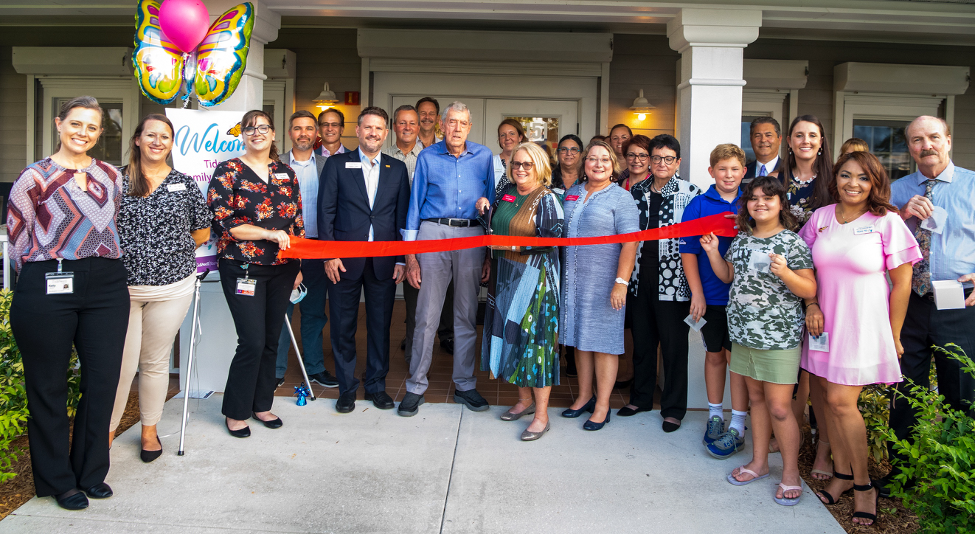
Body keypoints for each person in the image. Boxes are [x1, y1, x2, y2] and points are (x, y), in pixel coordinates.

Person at [8, 96, 128, 510]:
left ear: (100, 133)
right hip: (48, 281)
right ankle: (59, 480)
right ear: (60, 125)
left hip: (107, 285)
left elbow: (116, 226)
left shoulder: (112, 175)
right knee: (49, 384)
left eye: (92, 127)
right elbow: (18, 239)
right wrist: (41, 274)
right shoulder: (34, 177)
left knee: (103, 380)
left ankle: (91, 472)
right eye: (76, 124)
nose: (83, 133)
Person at [800, 152, 920, 526]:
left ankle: (864, 484)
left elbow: (902, 284)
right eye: (846, 176)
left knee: (840, 402)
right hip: (824, 326)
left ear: (875, 183)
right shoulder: (821, 218)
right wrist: (813, 302)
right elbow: (806, 266)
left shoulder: (888, 222)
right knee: (826, 402)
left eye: (863, 178)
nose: (853, 183)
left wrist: (895, 334)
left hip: (863, 326)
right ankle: (842, 474)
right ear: (835, 179)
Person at [704, 174, 817, 507]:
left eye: (768, 198)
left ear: (780, 203)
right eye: (753, 198)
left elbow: (809, 290)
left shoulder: (792, 242)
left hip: (779, 337)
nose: (760, 203)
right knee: (756, 401)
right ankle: (759, 463)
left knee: (781, 408)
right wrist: (712, 252)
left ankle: (791, 474)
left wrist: (785, 273)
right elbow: (728, 277)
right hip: (742, 333)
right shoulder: (741, 240)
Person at [109, 114, 211, 463]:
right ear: (137, 140)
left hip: (172, 288)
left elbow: (202, 232)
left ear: (171, 143)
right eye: (150, 135)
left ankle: (149, 431)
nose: (157, 141)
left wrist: (168, 253)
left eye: (164, 136)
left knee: (155, 363)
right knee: (120, 366)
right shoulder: (115, 181)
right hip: (122, 290)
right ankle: (104, 434)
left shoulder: (184, 183)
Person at [882, 115, 975, 496]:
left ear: (948, 140)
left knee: (961, 392)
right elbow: (874, 239)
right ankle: (902, 473)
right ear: (910, 147)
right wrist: (902, 215)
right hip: (909, 304)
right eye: (917, 140)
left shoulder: (972, 185)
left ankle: (958, 477)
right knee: (905, 391)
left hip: (959, 304)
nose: (927, 146)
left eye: (934, 137)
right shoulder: (895, 190)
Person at [207, 110, 304, 438]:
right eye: (250, 128)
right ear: (243, 135)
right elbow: (225, 221)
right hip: (242, 267)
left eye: (263, 127)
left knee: (271, 340)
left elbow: (297, 222)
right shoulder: (228, 171)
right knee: (252, 340)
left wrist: (299, 266)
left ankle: (261, 404)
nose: (257, 132)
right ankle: (235, 411)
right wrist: (266, 234)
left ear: (274, 134)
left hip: (282, 268)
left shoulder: (286, 173)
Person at [400, 101, 495, 417]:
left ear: (470, 126)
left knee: (466, 314)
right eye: (451, 122)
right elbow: (414, 206)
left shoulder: (482, 157)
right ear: (442, 125)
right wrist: (410, 256)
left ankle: (465, 385)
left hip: (471, 236)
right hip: (433, 232)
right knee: (426, 314)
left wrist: (488, 254)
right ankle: (415, 386)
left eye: (462, 123)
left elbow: (492, 205)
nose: (456, 128)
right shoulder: (428, 156)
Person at [320, 107, 410, 413]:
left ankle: (375, 385)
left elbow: (402, 217)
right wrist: (329, 253)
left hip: (383, 260)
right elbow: (326, 212)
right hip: (344, 259)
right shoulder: (336, 165)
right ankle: (346, 388)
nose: (373, 133)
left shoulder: (396, 170)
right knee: (343, 325)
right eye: (368, 127)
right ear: (358, 131)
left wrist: (401, 258)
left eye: (379, 129)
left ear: (386, 134)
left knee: (380, 326)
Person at [481, 142, 564, 441]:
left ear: (540, 166)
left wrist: (511, 247)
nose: (520, 169)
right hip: (505, 277)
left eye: (527, 164)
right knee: (511, 338)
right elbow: (495, 229)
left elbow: (552, 241)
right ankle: (524, 401)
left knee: (535, 345)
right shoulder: (507, 193)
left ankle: (542, 415)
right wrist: (485, 212)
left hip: (536, 282)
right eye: (516, 163)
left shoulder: (547, 199)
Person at [621, 134, 700, 433]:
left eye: (669, 159)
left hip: (675, 282)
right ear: (649, 161)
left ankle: (673, 408)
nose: (661, 164)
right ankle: (640, 398)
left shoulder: (691, 193)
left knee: (674, 348)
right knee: (642, 343)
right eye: (656, 158)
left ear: (678, 162)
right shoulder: (635, 191)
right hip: (640, 279)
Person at [560, 140, 640, 431]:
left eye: (604, 159)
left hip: (606, 281)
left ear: (613, 165)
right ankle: (583, 397)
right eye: (592, 159)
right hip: (572, 281)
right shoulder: (572, 194)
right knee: (580, 337)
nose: (598, 164)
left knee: (604, 342)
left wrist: (621, 283)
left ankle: (603, 405)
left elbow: (631, 243)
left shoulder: (621, 198)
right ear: (584, 163)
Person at [680, 144, 748, 457]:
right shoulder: (697, 205)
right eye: (722, 169)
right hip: (713, 297)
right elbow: (689, 253)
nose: (729, 175)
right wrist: (698, 293)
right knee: (715, 354)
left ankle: (739, 422)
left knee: (740, 362)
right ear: (711, 172)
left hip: (747, 299)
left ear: (743, 172)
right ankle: (715, 415)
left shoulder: (753, 203)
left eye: (734, 169)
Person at [275, 110, 338, 389]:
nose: (304, 133)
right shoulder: (272, 166)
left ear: (317, 134)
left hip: (316, 247)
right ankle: (275, 371)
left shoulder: (329, 165)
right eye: (298, 128)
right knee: (280, 312)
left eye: (309, 129)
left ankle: (314, 367)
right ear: (289, 133)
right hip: (282, 248)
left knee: (314, 312)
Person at [384, 104, 425, 364]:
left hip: (421, 239)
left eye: (412, 123)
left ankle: (414, 359)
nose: (407, 127)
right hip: (387, 238)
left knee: (416, 305)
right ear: (394, 127)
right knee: (381, 305)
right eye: (402, 122)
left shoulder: (431, 156)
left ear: (419, 127)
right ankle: (379, 361)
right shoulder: (384, 155)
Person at [415, 96, 455, 355]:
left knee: (450, 290)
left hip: (449, 230)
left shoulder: (446, 149)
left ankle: (447, 334)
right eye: (423, 113)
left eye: (432, 114)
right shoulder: (412, 150)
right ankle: (417, 340)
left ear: (438, 120)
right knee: (421, 293)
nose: (426, 117)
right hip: (422, 228)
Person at [783, 115, 833, 223]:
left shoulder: (835, 178)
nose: (806, 141)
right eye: (799, 135)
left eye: (812, 135)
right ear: (789, 141)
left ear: (821, 142)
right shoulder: (775, 179)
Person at [493, 119, 527, 201]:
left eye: (512, 134)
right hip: (495, 212)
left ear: (520, 137)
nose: (507, 138)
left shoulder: (529, 163)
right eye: (502, 135)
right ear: (499, 140)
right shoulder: (490, 162)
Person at [743, 117, 783, 187]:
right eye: (758, 136)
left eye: (768, 135)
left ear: (779, 139)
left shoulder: (790, 171)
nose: (763, 140)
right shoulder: (742, 172)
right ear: (751, 140)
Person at [551, 134, 584, 201]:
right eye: (564, 149)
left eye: (574, 149)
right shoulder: (547, 179)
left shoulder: (587, 180)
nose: (568, 153)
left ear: (581, 154)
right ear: (557, 154)